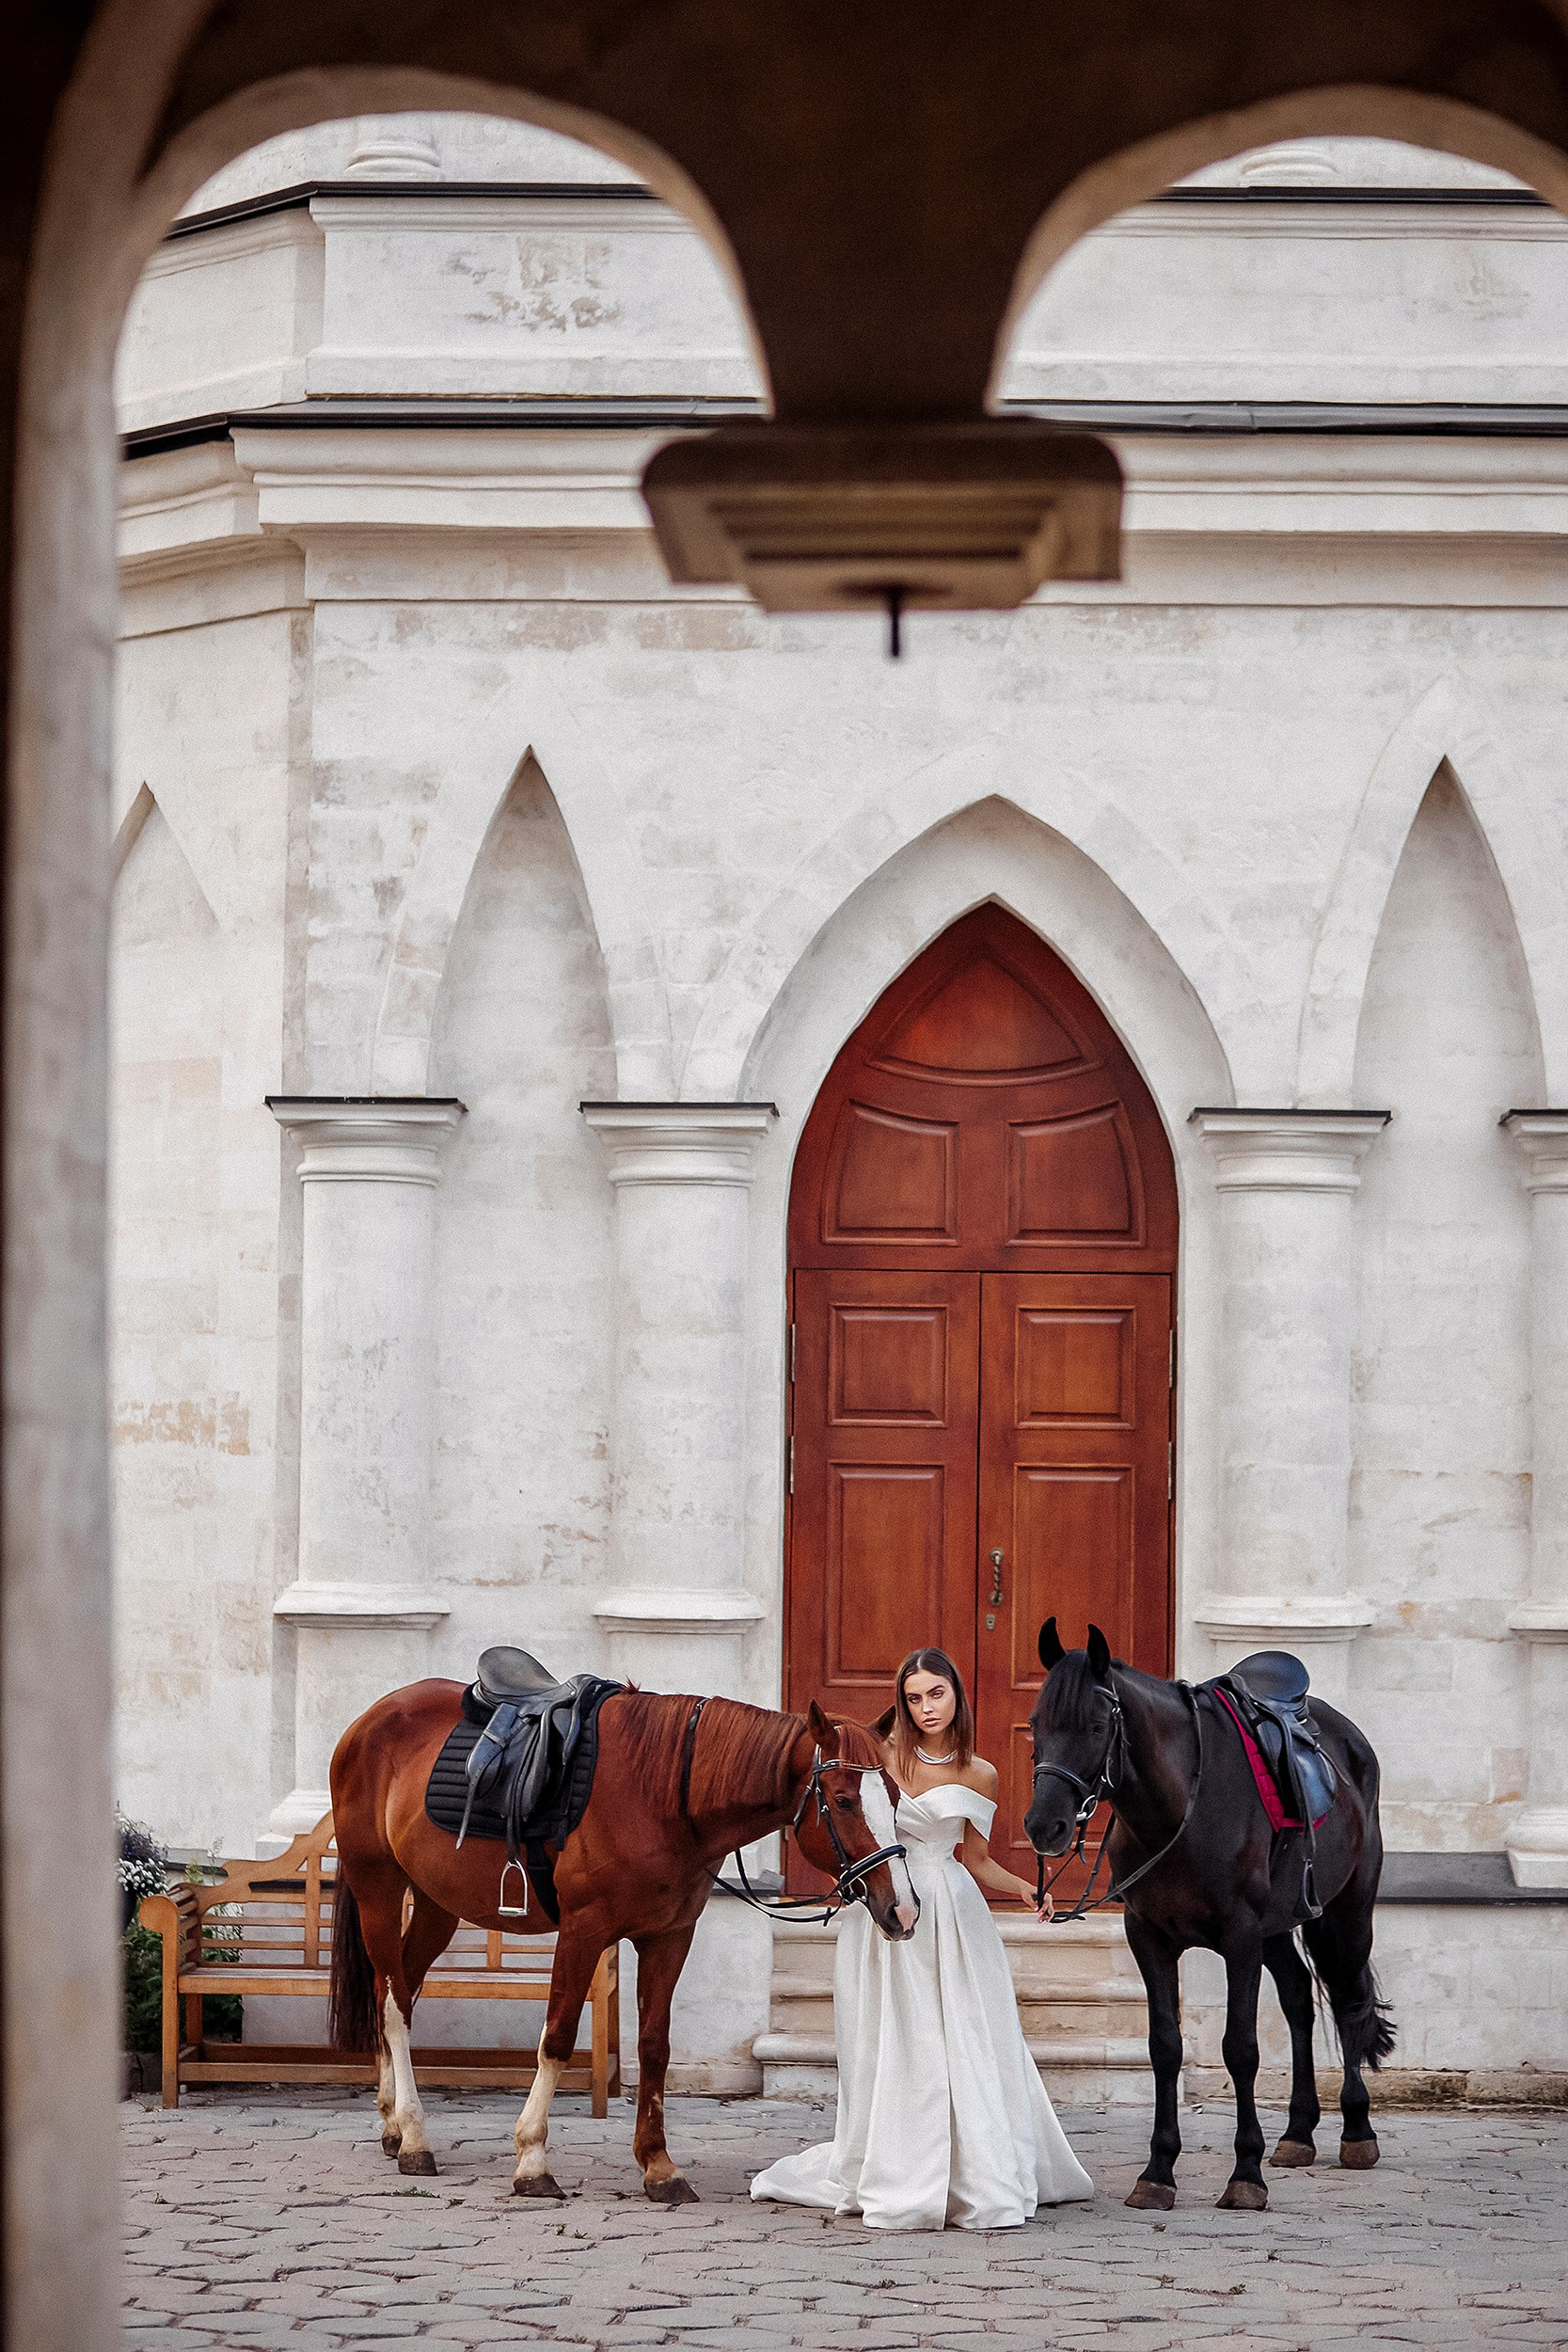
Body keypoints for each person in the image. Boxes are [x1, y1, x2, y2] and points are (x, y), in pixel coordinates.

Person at [751, 1646, 1093, 2231]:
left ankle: (972, 2167)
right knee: (891, 2036)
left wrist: (1024, 1887)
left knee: (962, 2034)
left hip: (952, 1912)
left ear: (956, 1694)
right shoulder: (880, 1756)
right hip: (884, 1904)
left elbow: (977, 1859)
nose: (926, 1708)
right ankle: (895, 2163)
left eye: (936, 1694)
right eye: (913, 1698)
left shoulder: (980, 1772)